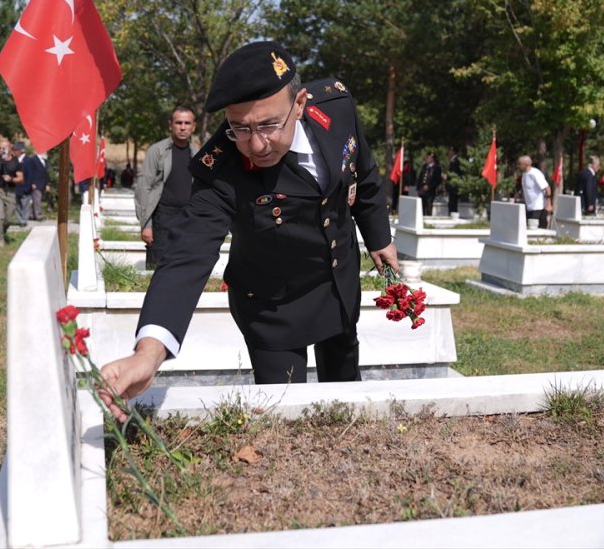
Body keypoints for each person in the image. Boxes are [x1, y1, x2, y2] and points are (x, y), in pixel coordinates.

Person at [99, 40, 399, 420]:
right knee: (283, 417)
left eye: (270, 125)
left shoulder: (335, 107)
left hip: (338, 287)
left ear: (301, 103)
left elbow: (364, 172)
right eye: (240, 128)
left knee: (346, 397)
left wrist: (379, 238)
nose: (257, 144)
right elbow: (187, 256)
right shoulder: (219, 169)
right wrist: (149, 353)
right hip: (273, 306)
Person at [135, 106, 199, 269]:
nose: (183, 127)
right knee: (156, 269)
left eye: (187, 123)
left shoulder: (197, 153)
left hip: (187, 219)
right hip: (162, 218)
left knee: (183, 268)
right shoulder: (157, 151)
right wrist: (146, 225)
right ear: (170, 124)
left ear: (194, 126)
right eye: (178, 123)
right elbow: (144, 188)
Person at [518, 155, 552, 228]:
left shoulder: (535, 173)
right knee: (530, 227)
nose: (518, 166)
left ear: (526, 164)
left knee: (535, 228)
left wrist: (549, 204)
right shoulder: (524, 174)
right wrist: (518, 193)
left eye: (520, 164)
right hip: (529, 206)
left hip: (538, 207)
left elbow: (547, 188)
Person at [23, 149, 49, 221]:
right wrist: (32, 182)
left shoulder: (45, 161)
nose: (46, 152)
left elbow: (46, 174)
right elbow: (31, 172)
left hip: (42, 183)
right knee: (37, 199)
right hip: (36, 183)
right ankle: (38, 215)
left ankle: (31, 214)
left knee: (35, 200)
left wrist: (47, 184)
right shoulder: (33, 160)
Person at [417, 151, 441, 216]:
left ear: (432, 159)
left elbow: (437, 180)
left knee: (429, 205)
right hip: (422, 190)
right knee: (421, 206)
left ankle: (428, 219)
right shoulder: (424, 166)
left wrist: (429, 186)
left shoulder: (436, 168)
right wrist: (418, 188)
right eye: (427, 157)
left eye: (429, 158)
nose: (427, 159)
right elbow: (420, 178)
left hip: (430, 191)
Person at [13, 141, 30, 226]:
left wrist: (28, 186)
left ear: (21, 150)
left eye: (16, 149)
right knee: (17, 204)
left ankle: (24, 220)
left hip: (25, 186)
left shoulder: (28, 160)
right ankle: (20, 219)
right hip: (16, 186)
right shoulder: (14, 160)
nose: (14, 151)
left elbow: (30, 174)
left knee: (25, 204)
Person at [446, 146, 462, 217]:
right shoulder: (452, 160)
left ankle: (453, 215)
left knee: (453, 203)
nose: (449, 152)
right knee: (451, 203)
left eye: (450, 151)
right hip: (451, 186)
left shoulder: (456, 161)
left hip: (454, 186)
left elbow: (455, 173)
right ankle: (451, 215)